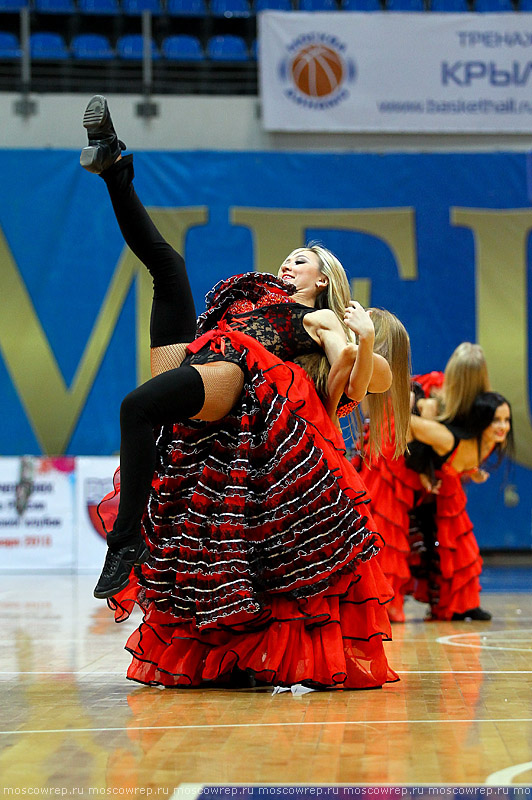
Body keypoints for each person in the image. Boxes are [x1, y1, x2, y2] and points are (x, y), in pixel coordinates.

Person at [81, 95, 410, 689]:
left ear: (324, 280)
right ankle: (113, 165)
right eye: (289, 257)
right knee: (168, 265)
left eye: (303, 260)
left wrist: (361, 345)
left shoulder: (318, 319)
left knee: (136, 406)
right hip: (203, 354)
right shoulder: (251, 294)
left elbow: (344, 381)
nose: (290, 263)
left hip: (237, 376)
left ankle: (124, 542)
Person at [358, 341, 493, 622]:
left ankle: (456, 602)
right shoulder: (429, 392)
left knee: (450, 519)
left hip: (428, 459)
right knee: (389, 524)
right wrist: (425, 469)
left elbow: (457, 444)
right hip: (397, 453)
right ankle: (383, 602)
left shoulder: (474, 405)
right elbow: (411, 432)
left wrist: (463, 467)